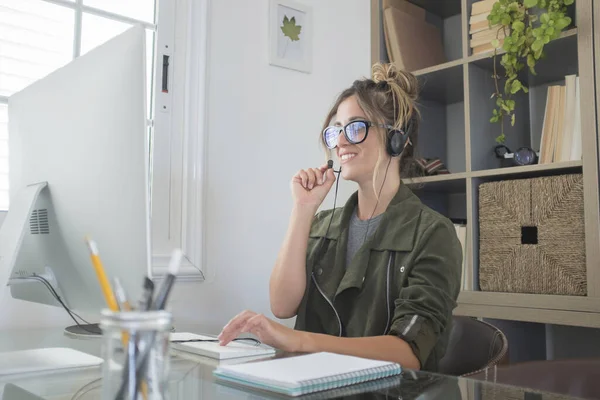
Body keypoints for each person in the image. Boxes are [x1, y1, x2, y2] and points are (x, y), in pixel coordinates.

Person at [217, 62, 463, 372]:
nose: (341, 142)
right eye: (336, 131)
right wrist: (303, 209)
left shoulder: (433, 234)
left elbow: (407, 352)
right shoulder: (323, 224)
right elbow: (282, 305)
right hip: (313, 388)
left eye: (356, 128)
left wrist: (299, 341)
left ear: (397, 139)